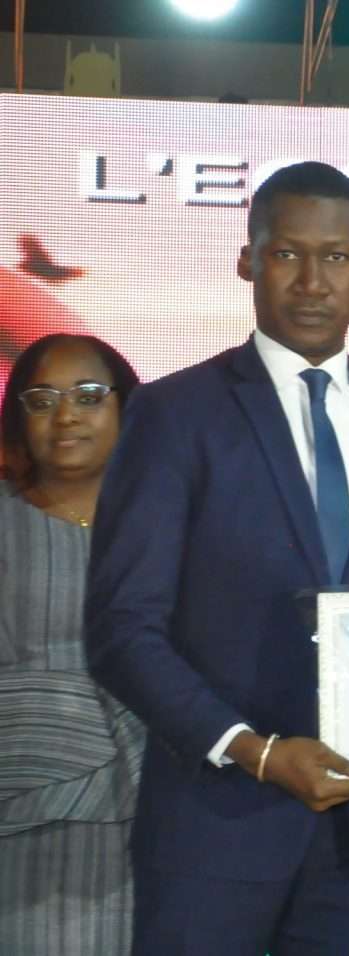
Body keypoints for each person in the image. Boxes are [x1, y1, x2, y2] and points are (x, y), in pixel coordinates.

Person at [84, 162, 349, 956]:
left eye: (336, 257)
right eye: (287, 253)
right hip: (212, 828)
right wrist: (253, 752)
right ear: (248, 260)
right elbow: (122, 631)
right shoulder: (172, 414)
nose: (312, 281)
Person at [0, 333, 144, 955]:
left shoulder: (173, 521)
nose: (66, 416)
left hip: (159, 805)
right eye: (42, 400)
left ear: (126, 407)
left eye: (88, 396)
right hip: (22, 809)